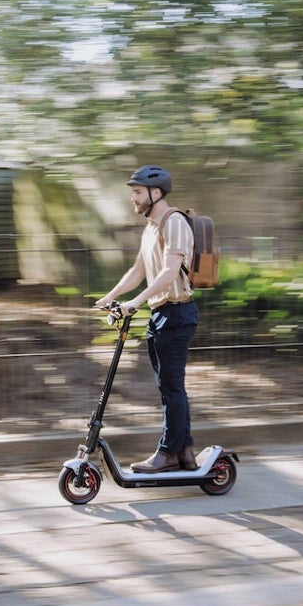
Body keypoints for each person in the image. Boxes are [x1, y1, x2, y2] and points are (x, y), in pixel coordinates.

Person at [95, 164, 199, 473]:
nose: (133, 199)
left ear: (156, 193)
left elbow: (169, 271)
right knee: (170, 387)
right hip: (160, 315)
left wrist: (135, 302)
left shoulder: (175, 222)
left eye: (138, 192)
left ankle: (168, 453)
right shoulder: (151, 226)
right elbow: (139, 271)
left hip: (177, 313)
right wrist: (110, 297)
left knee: (171, 388)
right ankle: (185, 451)